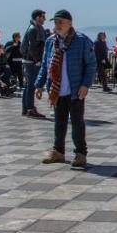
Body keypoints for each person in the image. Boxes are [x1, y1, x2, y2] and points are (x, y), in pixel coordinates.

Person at [35, 9, 96, 169]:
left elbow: (91, 65)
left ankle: (80, 153)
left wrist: (85, 85)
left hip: (75, 89)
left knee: (77, 122)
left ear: (70, 23)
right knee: (59, 122)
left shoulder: (82, 41)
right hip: (56, 89)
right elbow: (45, 65)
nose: (57, 25)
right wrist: (39, 84)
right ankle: (58, 152)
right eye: (55, 22)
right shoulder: (50, 42)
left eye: (60, 22)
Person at [21, 9, 48, 119]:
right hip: (31, 61)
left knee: (29, 85)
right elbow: (33, 46)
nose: (44, 19)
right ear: (37, 17)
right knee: (31, 85)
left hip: (30, 60)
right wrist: (37, 60)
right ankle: (30, 109)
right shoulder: (34, 29)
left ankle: (26, 108)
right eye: (43, 17)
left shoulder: (36, 28)